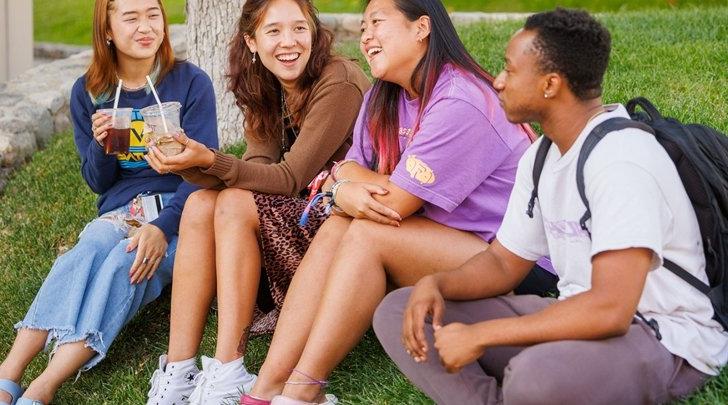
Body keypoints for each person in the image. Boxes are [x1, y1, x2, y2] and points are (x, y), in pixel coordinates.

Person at [373, 8, 728, 404]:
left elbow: (611, 309)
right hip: (575, 318)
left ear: (550, 84)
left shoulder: (622, 159)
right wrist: (435, 284)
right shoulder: (542, 155)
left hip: (657, 336)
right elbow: (503, 264)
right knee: (399, 310)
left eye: (509, 69)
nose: (498, 81)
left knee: (534, 377)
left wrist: (481, 336)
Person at [241, 1, 553, 404]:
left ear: (421, 27)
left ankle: (303, 390)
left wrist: (345, 186)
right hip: (441, 243)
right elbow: (348, 167)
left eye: (377, 23)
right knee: (340, 224)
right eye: (363, 24)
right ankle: (266, 386)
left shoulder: (460, 99)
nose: (366, 35)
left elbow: (394, 204)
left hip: (513, 260)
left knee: (369, 231)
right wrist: (342, 188)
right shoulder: (384, 97)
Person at [142, 0, 370, 403]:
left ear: (314, 32)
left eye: (300, 29)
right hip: (293, 225)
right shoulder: (264, 86)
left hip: (339, 232)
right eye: (274, 31)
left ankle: (228, 367)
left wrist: (209, 160)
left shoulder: (339, 81)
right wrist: (186, 165)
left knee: (231, 203)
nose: (289, 42)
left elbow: (287, 179)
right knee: (199, 204)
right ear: (251, 40)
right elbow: (256, 171)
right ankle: (179, 371)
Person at [0, 0, 218, 404]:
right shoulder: (90, 93)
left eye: (153, 14)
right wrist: (101, 148)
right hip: (122, 209)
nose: (146, 26)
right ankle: (8, 374)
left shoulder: (189, 83)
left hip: (183, 212)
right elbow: (98, 183)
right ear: (108, 30)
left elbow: (205, 173)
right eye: (131, 17)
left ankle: (44, 385)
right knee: (86, 252)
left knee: (125, 263)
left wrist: (161, 227)